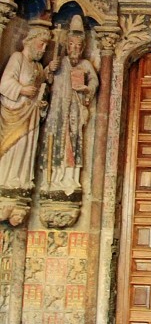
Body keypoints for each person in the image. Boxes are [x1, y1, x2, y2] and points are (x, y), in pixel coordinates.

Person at [42, 17, 98, 194]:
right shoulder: (59, 63)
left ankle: (70, 178)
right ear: (67, 46)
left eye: (78, 46)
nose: (75, 49)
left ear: (82, 48)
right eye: (71, 45)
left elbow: (94, 83)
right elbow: (45, 81)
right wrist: (50, 69)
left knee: (74, 142)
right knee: (54, 140)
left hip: (75, 111)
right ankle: (51, 178)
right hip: (57, 110)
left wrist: (86, 88)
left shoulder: (85, 65)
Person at [0, 25, 55, 191]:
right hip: (15, 113)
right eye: (41, 44)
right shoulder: (17, 58)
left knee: (26, 148)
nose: (44, 49)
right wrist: (22, 90)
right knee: (13, 147)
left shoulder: (38, 67)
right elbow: (4, 84)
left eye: (46, 45)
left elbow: (41, 87)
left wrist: (41, 103)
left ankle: (21, 180)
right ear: (30, 41)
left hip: (31, 116)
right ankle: (6, 180)